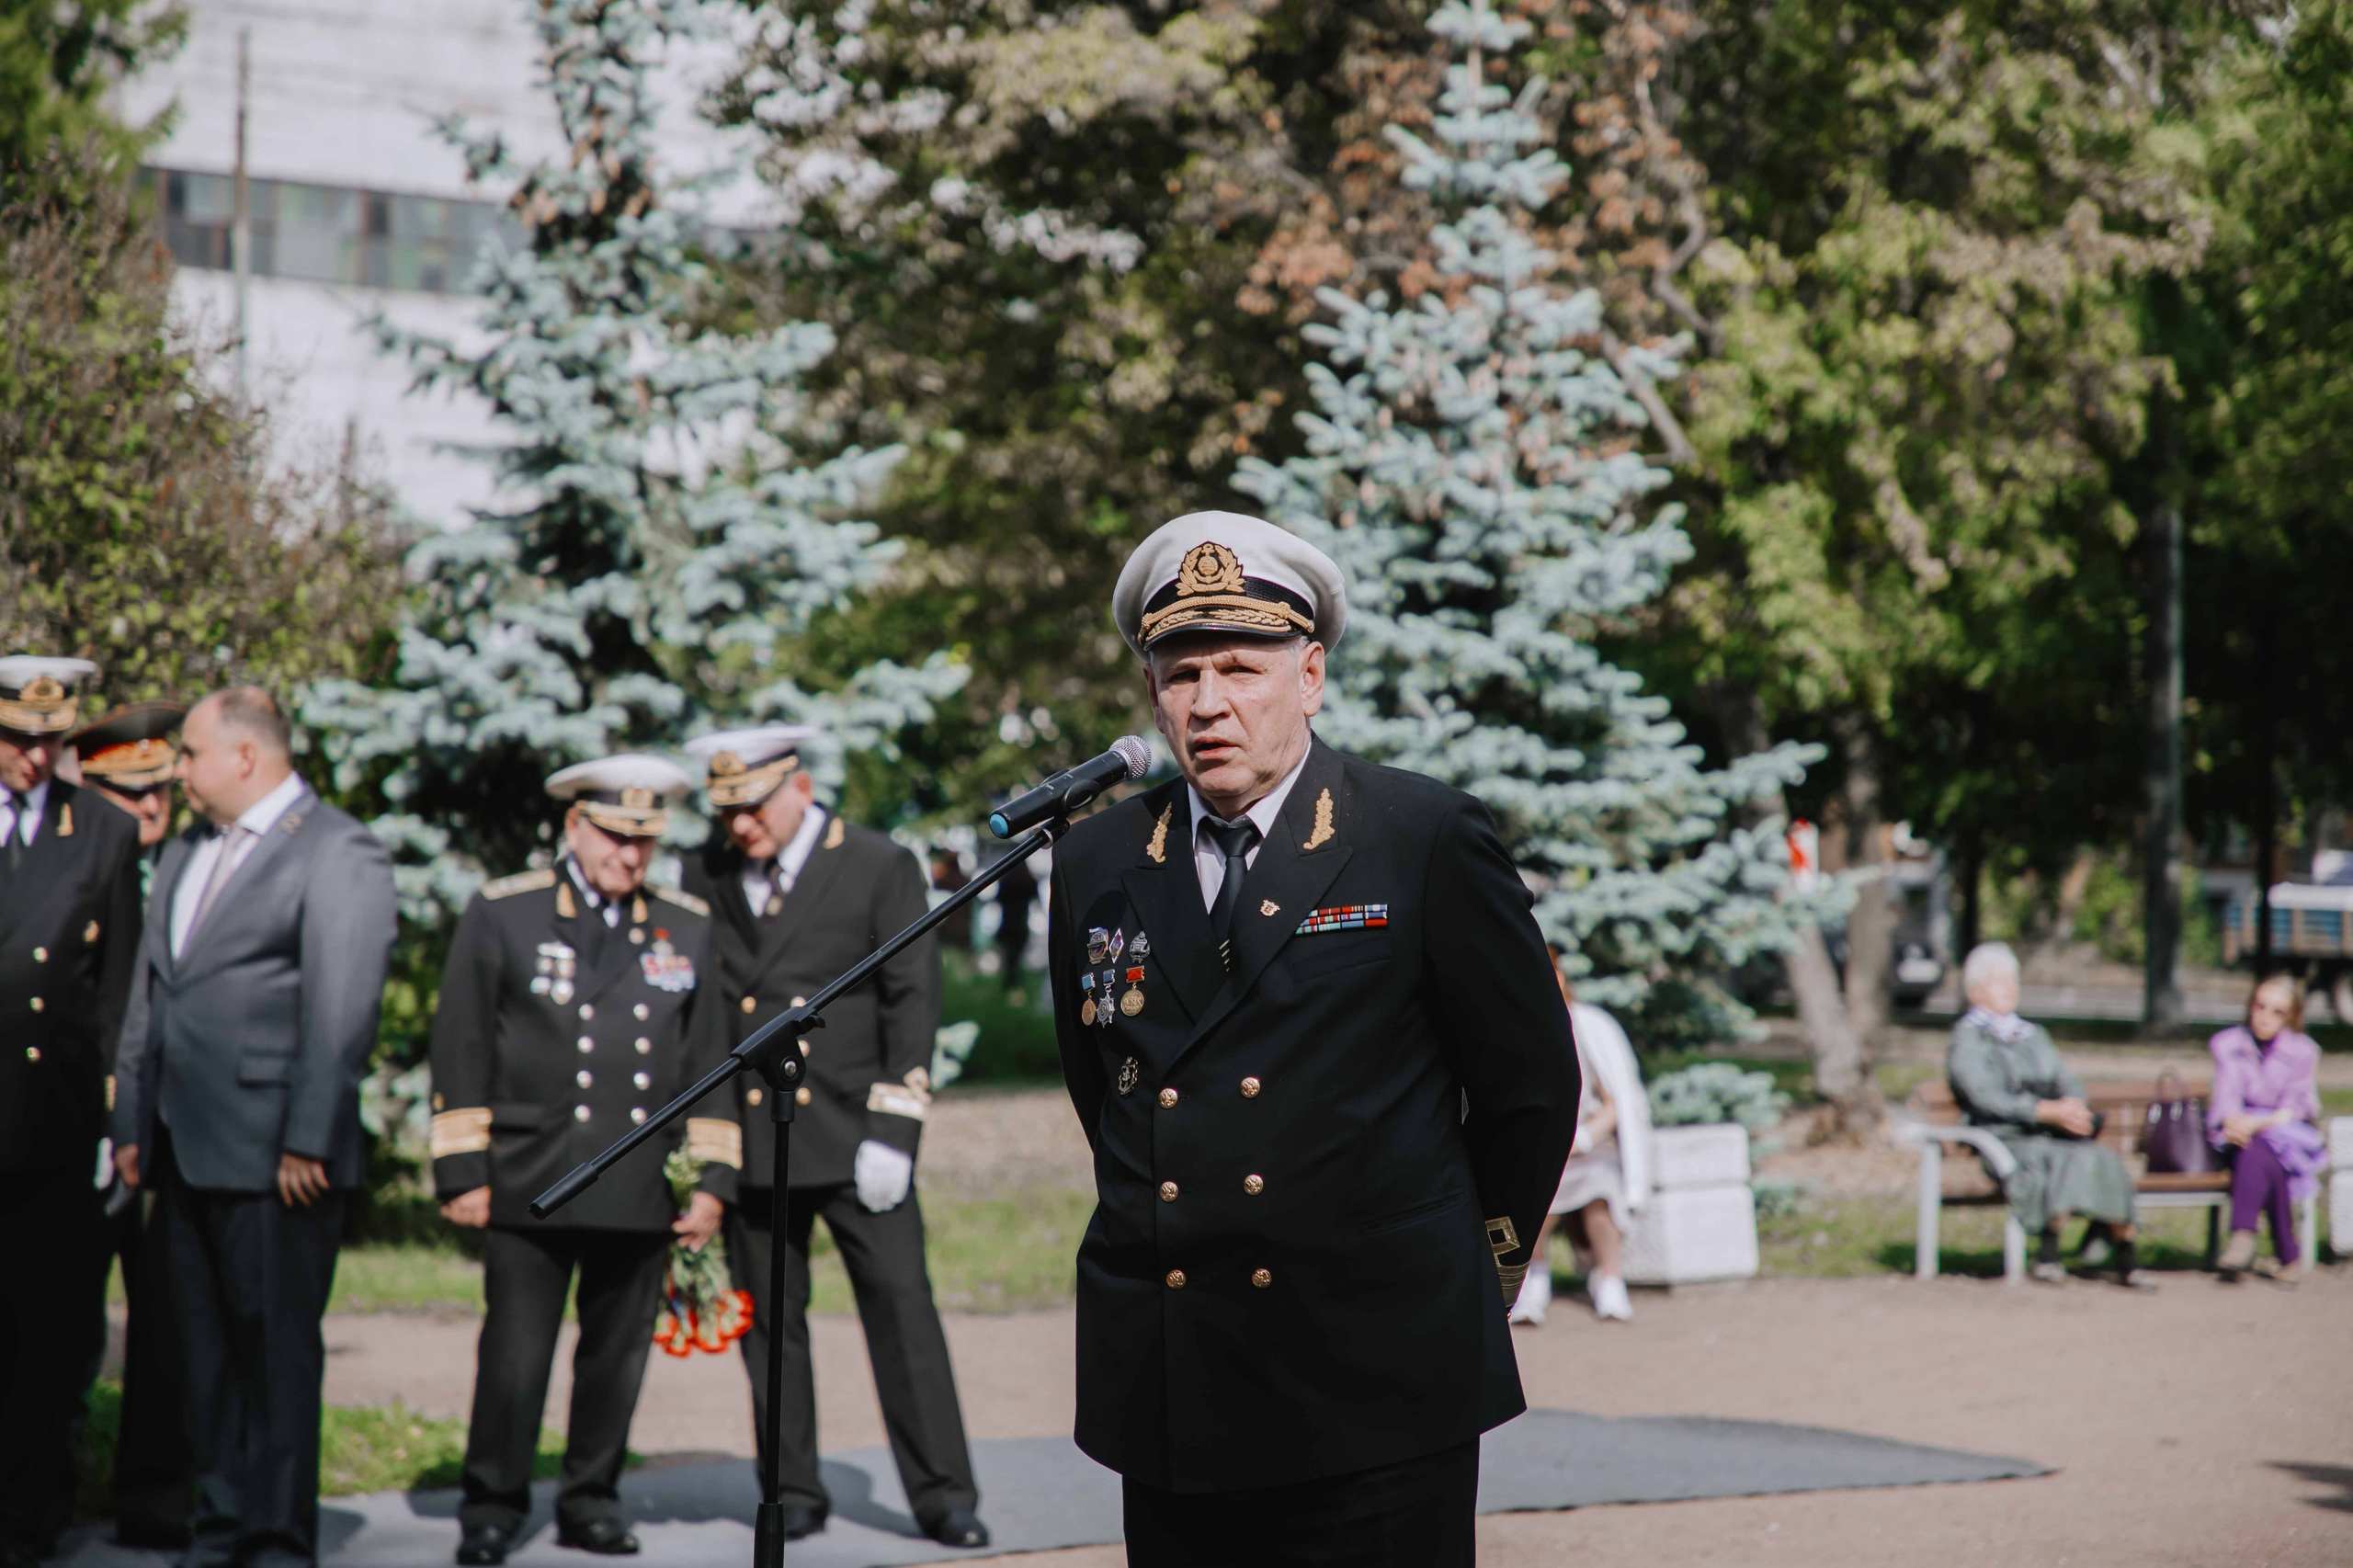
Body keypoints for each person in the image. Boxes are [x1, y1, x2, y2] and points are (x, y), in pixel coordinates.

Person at [1048, 512, 1581, 1565]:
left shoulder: (1416, 834)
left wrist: (1472, 1266)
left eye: (1240, 668)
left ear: (1310, 675)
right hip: (1178, 1372)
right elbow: (1103, 1086)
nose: (1208, 702)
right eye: (1180, 673)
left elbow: (1528, 1085)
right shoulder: (1099, 857)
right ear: (1150, 689)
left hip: (1376, 1364)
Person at [680, 727, 988, 1551]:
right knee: (770, 1326)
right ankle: (791, 1489)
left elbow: (911, 996)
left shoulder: (877, 864)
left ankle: (944, 1494)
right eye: (727, 811)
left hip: (856, 1132)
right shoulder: (704, 870)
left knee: (902, 1311)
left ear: (801, 789)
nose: (740, 825)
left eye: (752, 808)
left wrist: (896, 1127)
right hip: (759, 1134)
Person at [111, 687, 398, 1568]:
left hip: (279, 1153)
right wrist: (131, 1116)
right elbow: (153, 993)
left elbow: (341, 1008)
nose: (178, 773)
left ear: (246, 756)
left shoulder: (337, 849)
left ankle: (275, 1540)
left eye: (191, 754)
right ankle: (222, 1526)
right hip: (182, 1144)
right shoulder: (189, 850)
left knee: (273, 1358)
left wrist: (309, 1135)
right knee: (203, 1356)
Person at [426, 755, 737, 1564]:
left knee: (616, 1357)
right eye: (613, 836)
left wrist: (711, 1180)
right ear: (575, 826)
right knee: (515, 1355)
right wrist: (460, 1168)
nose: (629, 856)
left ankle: (591, 1499)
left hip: (637, 1177)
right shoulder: (508, 912)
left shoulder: (684, 924)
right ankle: (491, 1505)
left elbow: (709, 1060)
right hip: (530, 1174)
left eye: (644, 841)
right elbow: (461, 1041)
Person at [0, 656, 145, 1568]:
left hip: (52, 1123)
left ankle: (28, 1516)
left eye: (50, 741)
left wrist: (119, 1119)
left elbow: (120, 992)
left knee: (43, 1333)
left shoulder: (100, 829)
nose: (35, 755)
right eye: (18, 738)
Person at [67, 699, 195, 1547]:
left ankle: (154, 1495)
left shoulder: (192, 870)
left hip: (167, 1136)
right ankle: (46, 1484)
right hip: (75, 1129)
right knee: (60, 1319)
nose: (149, 807)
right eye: (128, 792)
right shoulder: (62, 863)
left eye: (160, 790)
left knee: (167, 1325)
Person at [1947, 940, 2150, 1288]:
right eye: (2000, 981)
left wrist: (2073, 1107)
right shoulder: (1968, 1039)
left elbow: (2066, 1080)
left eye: (2013, 980)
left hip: (2050, 1133)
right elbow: (1984, 1096)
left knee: (2102, 1157)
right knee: (2058, 1158)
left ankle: (2126, 1256)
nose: (2010, 988)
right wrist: (2041, 1110)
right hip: (2003, 1138)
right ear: (1975, 990)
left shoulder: (2032, 1035)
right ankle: (2048, 1253)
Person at [1511, 961, 1651, 1326]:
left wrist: (1583, 1138)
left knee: (1601, 1190)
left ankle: (1609, 1279)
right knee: (1533, 1197)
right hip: (1539, 1147)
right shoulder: (1517, 1029)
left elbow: (1617, 1101)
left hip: (1591, 1143)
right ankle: (1533, 1279)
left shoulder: (1592, 1027)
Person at [2208, 973, 2324, 1283]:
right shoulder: (2227, 1044)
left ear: (2291, 1017)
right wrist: (2233, 1122)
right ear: (2250, 1006)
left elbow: (2296, 1107)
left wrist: (2257, 1123)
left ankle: (2243, 1238)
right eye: (2260, 1006)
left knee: (2260, 1150)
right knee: (2255, 1150)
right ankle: (2288, 1255)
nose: (2265, 1017)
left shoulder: (2304, 1051)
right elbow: (2226, 1096)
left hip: (2284, 1137)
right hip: (2236, 1137)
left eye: (2277, 1011)